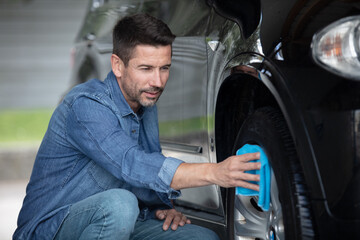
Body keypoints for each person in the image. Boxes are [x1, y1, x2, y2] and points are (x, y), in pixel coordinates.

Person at [13, 13, 261, 240]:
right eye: (146, 69)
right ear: (117, 65)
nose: (157, 81)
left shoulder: (145, 104)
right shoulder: (86, 106)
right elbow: (131, 163)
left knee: (201, 238)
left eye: (165, 68)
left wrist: (163, 208)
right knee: (121, 205)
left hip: (114, 223)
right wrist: (216, 173)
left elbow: (146, 172)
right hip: (52, 229)